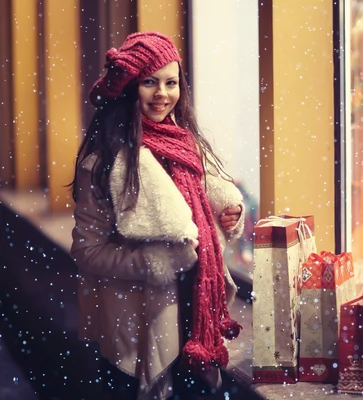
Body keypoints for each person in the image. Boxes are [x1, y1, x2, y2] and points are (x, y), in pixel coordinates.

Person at [69, 32, 245, 400]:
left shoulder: (184, 145)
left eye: (171, 82)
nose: (162, 94)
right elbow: (87, 251)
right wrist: (155, 262)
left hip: (196, 314)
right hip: (138, 326)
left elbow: (195, 208)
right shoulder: (103, 164)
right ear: (130, 87)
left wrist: (228, 212)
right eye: (149, 82)